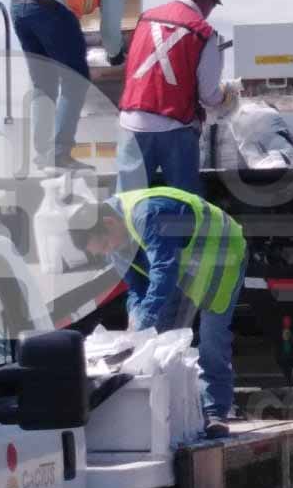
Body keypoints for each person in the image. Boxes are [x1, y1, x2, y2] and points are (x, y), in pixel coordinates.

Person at [68, 187, 247, 438]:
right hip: (183, 265)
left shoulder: (148, 214)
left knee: (211, 338)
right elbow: (136, 287)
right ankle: (171, 411)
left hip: (219, 255)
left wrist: (146, 319)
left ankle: (214, 411)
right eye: (103, 250)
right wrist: (136, 319)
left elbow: (165, 269)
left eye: (107, 244)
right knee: (161, 341)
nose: (109, 251)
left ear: (109, 223)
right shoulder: (115, 241)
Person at [11, 0, 133, 172]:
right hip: (48, 3)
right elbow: (109, 29)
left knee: (43, 84)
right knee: (75, 80)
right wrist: (116, 56)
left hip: (18, 3)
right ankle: (59, 154)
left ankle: (43, 155)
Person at [116, 0, 233, 193]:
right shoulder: (204, 33)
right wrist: (227, 95)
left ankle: (124, 227)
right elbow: (209, 95)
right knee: (184, 204)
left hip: (131, 122)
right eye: (213, 5)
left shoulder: (144, 19)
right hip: (174, 126)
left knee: (127, 201)